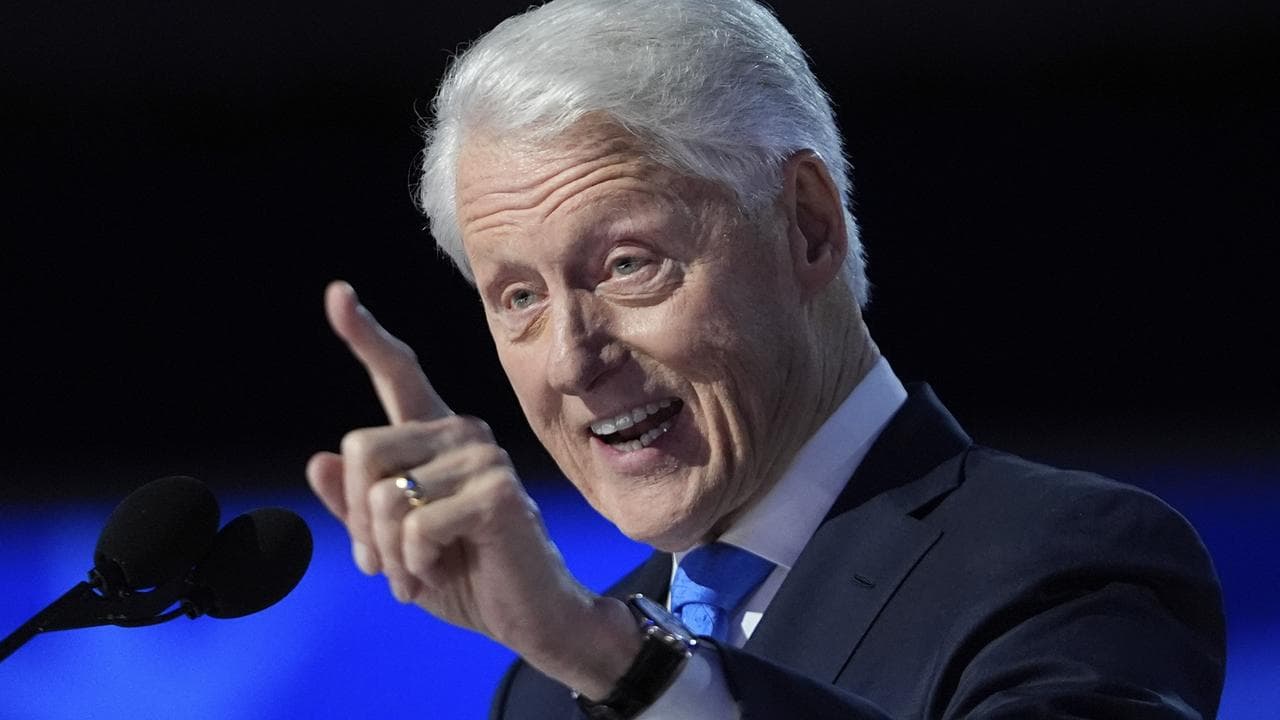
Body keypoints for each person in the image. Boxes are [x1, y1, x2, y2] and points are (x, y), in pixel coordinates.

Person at [306, 1, 1226, 717]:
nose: (573, 360)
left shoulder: (1069, 562)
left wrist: (628, 673)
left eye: (628, 265)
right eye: (519, 298)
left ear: (807, 226)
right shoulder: (546, 690)